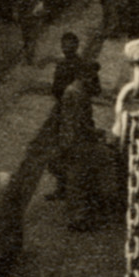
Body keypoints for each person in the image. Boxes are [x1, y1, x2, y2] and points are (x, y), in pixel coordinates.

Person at [57, 61, 108, 231]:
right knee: (78, 179)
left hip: (72, 140)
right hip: (77, 142)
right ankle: (79, 218)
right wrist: (96, 132)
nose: (94, 78)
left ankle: (79, 216)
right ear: (84, 75)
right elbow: (80, 123)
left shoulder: (75, 90)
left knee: (77, 179)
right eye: (92, 75)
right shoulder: (77, 93)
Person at [45, 33, 91, 200]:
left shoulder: (81, 66)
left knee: (74, 151)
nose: (66, 49)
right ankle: (62, 187)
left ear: (76, 46)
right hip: (61, 111)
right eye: (64, 45)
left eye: (70, 45)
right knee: (59, 150)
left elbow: (92, 89)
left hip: (76, 114)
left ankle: (74, 190)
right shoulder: (62, 64)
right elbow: (55, 89)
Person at [14, 0, 46, 64]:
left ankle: (29, 56)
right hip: (27, 20)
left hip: (29, 20)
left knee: (29, 39)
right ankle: (29, 56)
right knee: (29, 39)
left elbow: (40, 9)